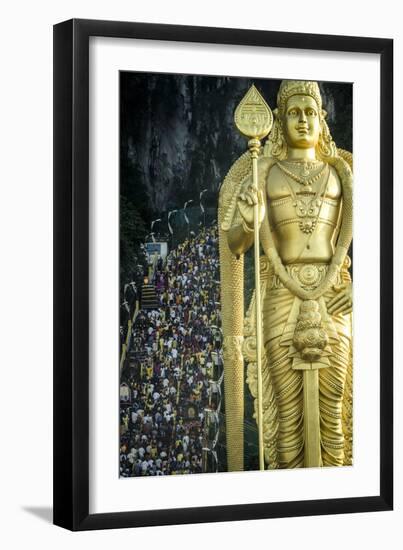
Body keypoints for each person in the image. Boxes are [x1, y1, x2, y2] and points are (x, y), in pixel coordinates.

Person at [219, 80, 353, 470]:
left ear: (322, 118)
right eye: (293, 112)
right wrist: (248, 221)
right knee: (287, 412)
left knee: (334, 407)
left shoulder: (341, 172)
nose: (303, 120)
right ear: (279, 121)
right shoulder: (263, 172)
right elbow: (234, 243)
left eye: (310, 111)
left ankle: (341, 493)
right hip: (281, 291)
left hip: (334, 292)